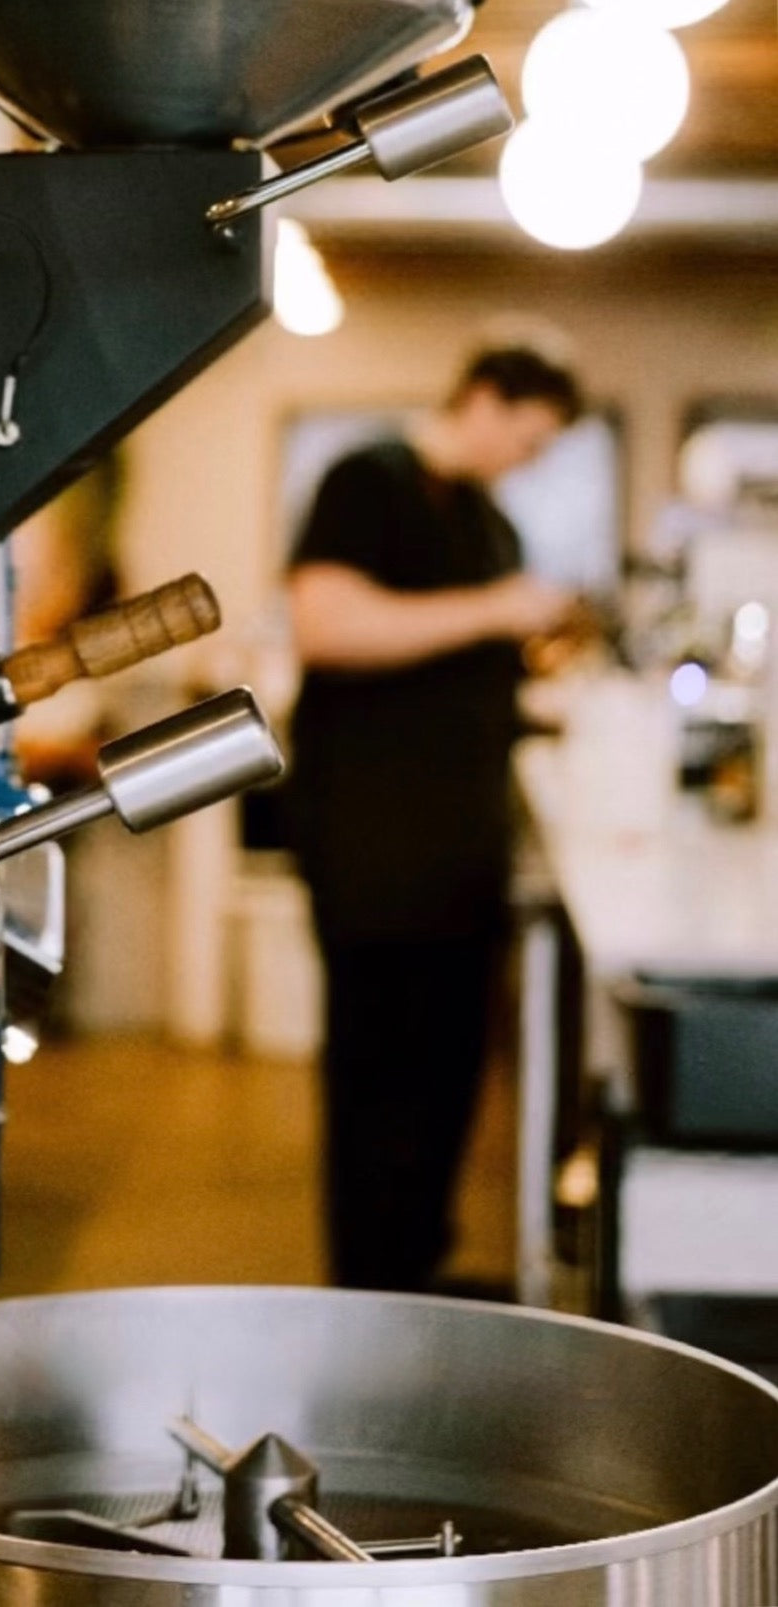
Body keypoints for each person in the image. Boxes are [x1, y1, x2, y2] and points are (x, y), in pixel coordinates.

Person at [284, 342, 583, 1293]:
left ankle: (419, 1278)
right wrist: (494, 612)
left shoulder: (492, 524)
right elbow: (327, 626)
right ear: (484, 400)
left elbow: (472, 677)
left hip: (463, 858)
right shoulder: (366, 483)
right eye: (527, 439)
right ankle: (368, 1293)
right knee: (379, 1090)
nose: (527, 462)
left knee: (451, 1084)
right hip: (376, 858)